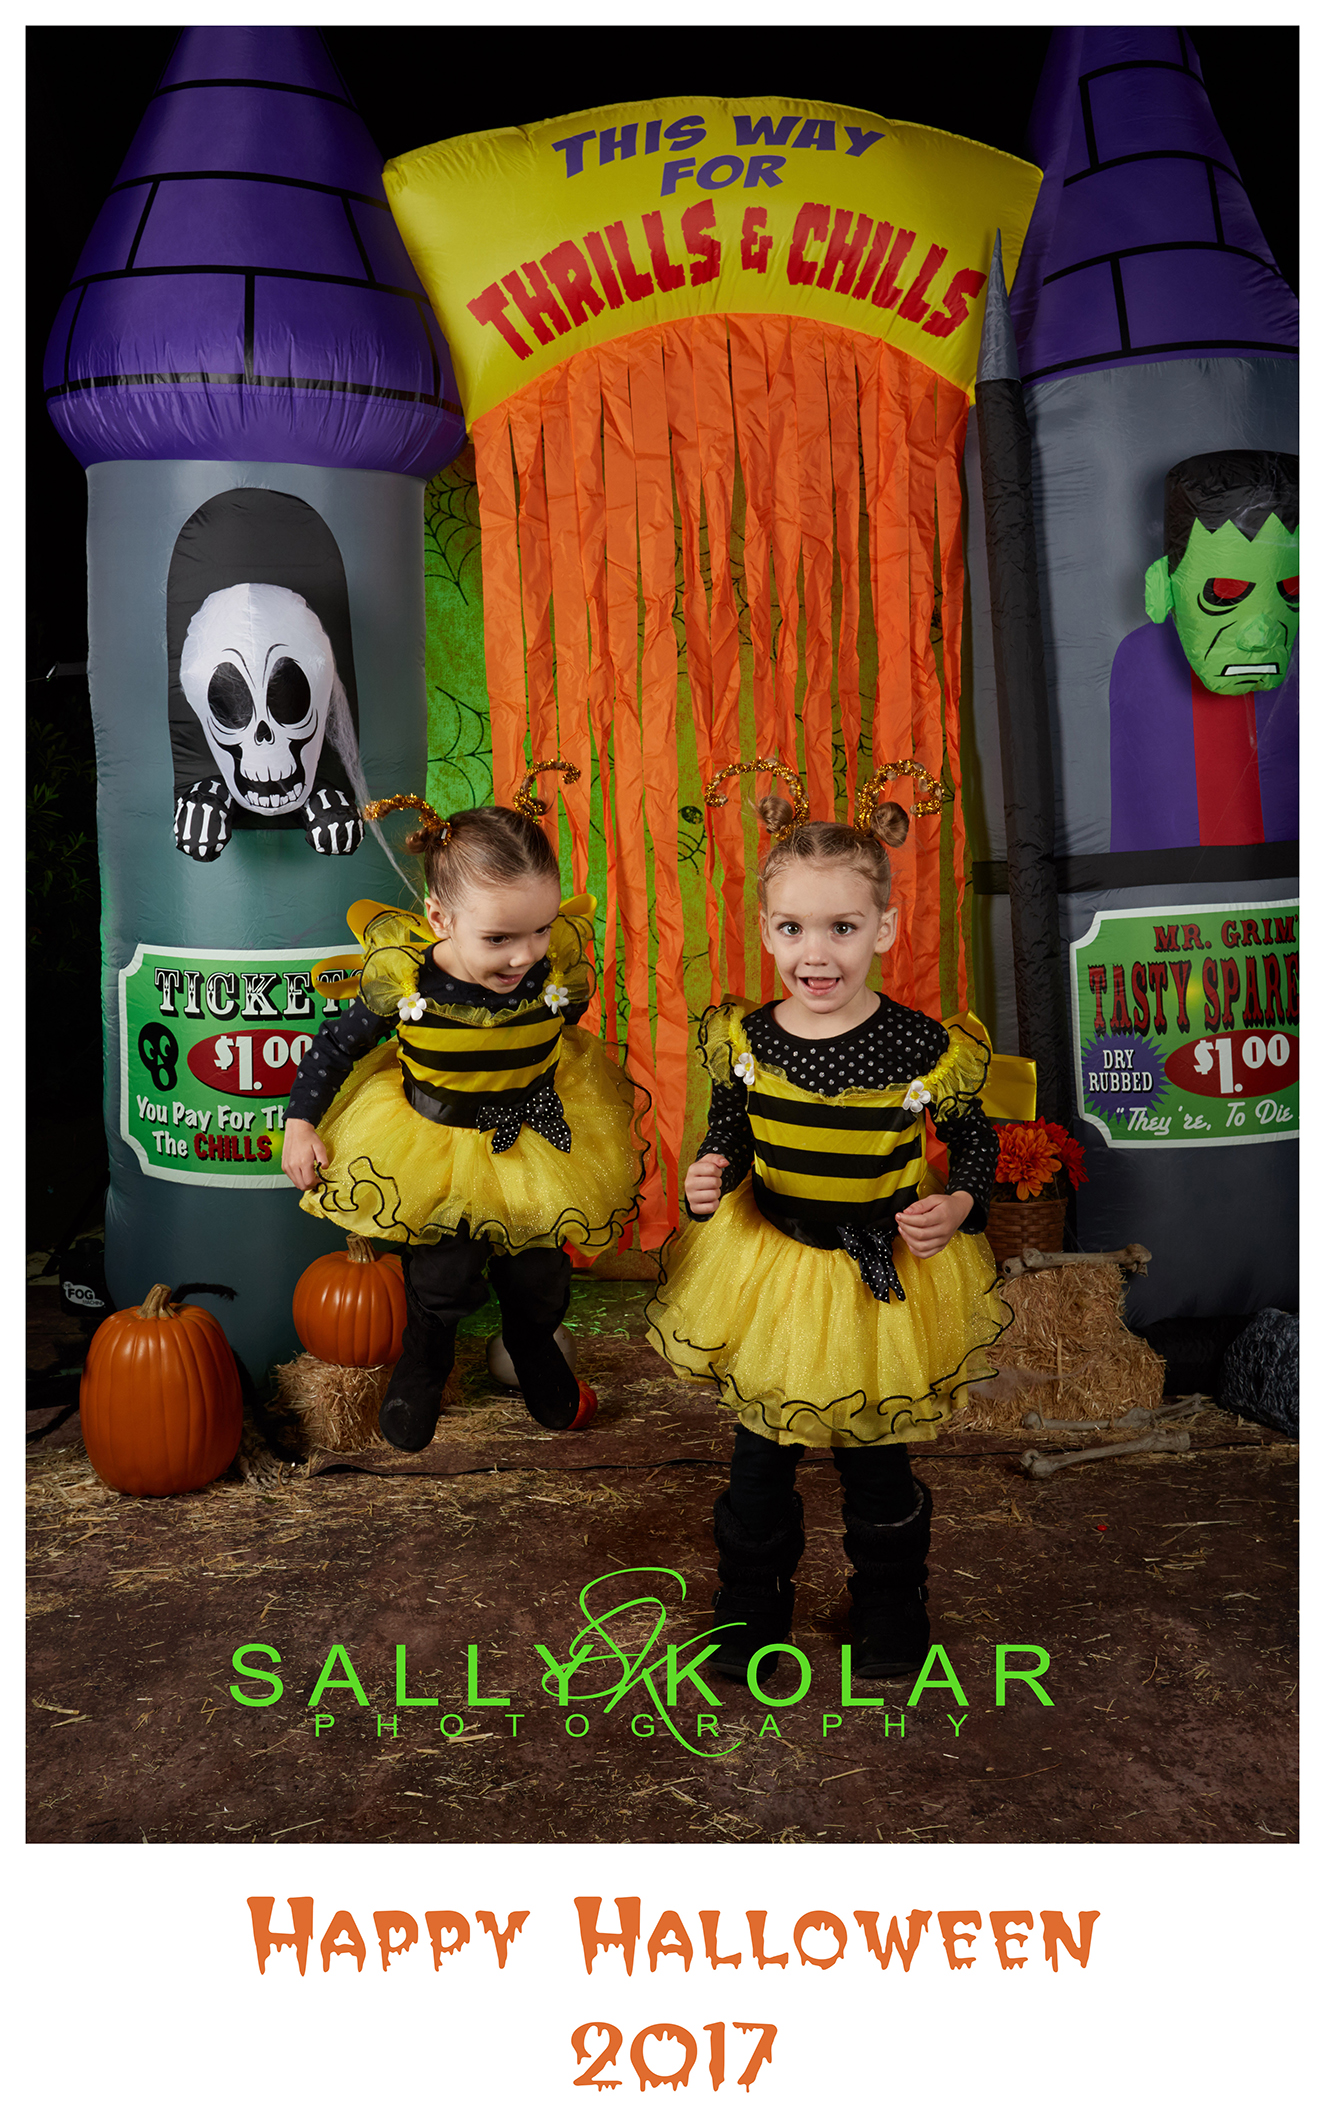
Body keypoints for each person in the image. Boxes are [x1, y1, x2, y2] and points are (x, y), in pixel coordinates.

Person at [646, 759, 1011, 1683]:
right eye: (793, 927)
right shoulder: (747, 1037)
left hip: (878, 1276)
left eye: (842, 928)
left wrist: (958, 1203)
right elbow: (730, 1126)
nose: (816, 953)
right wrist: (710, 1170)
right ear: (765, 927)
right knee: (759, 1457)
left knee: (875, 1457)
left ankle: (891, 1611)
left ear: (883, 927)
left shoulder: (922, 1044)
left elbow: (976, 1142)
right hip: (774, 1270)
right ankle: (749, 1612)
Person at [282, 760, 646, 1442]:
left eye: (540, 929)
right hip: (437, 1145)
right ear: (440, 918)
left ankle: (533, 1348)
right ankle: (425, 1361)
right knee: (443, 1278)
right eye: (498, 939)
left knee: (539, 1273)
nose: (523, 956)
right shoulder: (406, 981)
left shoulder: (554, 969)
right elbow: (334, 1047)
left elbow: (562, 1032)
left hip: (532, 1140)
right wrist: (301, 1122)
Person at [1109, 450, 1298, 852]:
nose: (1259, 637)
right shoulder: (1142, 662)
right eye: (1224, 593)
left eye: (1294, 591)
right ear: (1162, 589)